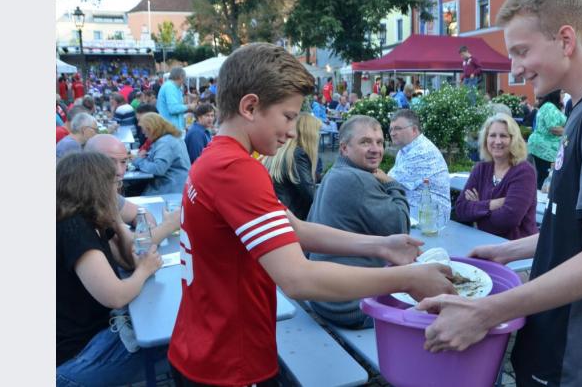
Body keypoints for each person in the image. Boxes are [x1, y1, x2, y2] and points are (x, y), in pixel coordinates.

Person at [167, 42, 454, 385]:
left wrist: (380, 245)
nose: (291, 131)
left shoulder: (215, 158)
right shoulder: (237, 169)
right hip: (229, 362)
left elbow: (296, 228)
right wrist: (407, 278)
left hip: (203, 346)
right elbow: (298, 279)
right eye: (288, 116)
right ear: (250, 107)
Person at [418, 0, 582, 387]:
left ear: (565, 40)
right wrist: (507, 251)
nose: (514, 68)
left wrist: (486, 312)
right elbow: (577, 229)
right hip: (559, 343)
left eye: (521, 51)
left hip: (575, 353)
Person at [56, 151, 165, 385]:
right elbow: (115, 296)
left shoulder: (86, 219)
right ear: (96, 186)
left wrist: (115, 216)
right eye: (114, 184)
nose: (118, 191)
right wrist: (145, 270)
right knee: (179, 345)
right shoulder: (73, 228)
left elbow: (127, 260)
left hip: (90, 340)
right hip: (78, 359)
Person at [307, 115, 414, 328]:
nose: (375, 149)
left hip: (323, 297)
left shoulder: (335, 173)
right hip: (351, 307)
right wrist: (392, 184)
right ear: (344, 148)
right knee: (438, 298)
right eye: (365, 142)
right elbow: (402, 229)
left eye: (380, 142)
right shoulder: (358, 179)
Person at [454, 113, 538, 240]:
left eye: (503, 136)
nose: (497, 141)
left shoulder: (524, 172)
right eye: (492, 135)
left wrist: (477, 209)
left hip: (517, 251)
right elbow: (460, 210)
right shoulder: (481, 169)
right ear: (486, 139)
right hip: (483, 242)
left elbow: (508, 221)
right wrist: (493, 204)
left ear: (513, 140)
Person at [387, 109, 451, 223]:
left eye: (397, 128)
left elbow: (387, 182)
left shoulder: (422, 151)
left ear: (414, 130)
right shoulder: (405, 150)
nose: (392, 133)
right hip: (415, 212)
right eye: (391, 129)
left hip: (432, 220)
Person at [261, 113, 321, 220]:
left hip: (278, 216)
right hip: (295, 220)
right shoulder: (298, 155)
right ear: (309, 134)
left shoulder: (283, 152)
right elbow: (312, 196)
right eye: (317, 132)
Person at [131, 113, 191, 195]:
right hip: (176, 185)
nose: (143, 133)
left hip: (170, 189)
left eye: (144, 129)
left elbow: (158, 169)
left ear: (152, 129)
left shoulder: (165, 142)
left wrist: (137, 161)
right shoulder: (170, 138)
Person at [526, 89, 566, 189]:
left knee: (543, 177)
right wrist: (570, 131)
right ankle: (540, 201)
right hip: (545, 148)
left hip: (544, 146)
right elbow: (553, 128)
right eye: (562, 92)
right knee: (545, 178)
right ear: (556, 94)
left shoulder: (549, 106)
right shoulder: (549, 106)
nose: (564, 95)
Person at [157, 67, 195, 132]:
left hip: (172, 128)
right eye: (184, 77)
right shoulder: (170, 87)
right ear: (180, 77)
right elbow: (173, 108)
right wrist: (189, 107)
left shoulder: (173, 87)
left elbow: (175, 108)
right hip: (170, 129)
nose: (184, 80)